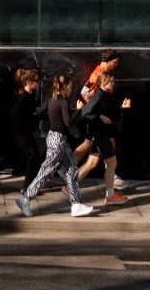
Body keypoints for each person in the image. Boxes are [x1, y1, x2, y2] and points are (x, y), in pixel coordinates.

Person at [16, 72, 93, 217]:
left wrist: (52, 119)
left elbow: (39, 113)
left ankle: (76, 205)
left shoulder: (50, 100)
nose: (71, 90)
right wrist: (78, 110)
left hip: (56, 138)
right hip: (58, 140)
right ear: (65, 87)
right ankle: (25, 199)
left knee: (72, 170)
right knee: (46, 170)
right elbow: (68, 122)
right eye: (70, 87)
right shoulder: (63, 102)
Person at [76, 53, 132, 205]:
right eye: (111, 82)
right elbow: (85, 111)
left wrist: (122, 108)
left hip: (102, 133)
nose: (114, 84)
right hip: (100, 134)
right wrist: (99, 117)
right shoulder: (98, 93)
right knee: (109, 163)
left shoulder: (105, 95)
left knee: (93, 163)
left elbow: (112, 113)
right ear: (104, 83)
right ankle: (109, 192)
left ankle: (72, 186)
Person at [10, 66, 43, 191]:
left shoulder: (31, 95)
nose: (38, 83)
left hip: (27, 132)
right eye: (36, 81)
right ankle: (27, 186)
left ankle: (30, 184)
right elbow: (14, 114)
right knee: (32, 156)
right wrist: (32, 115)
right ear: (29, 83)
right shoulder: (23, 97)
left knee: (35, 157)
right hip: (21, 133)